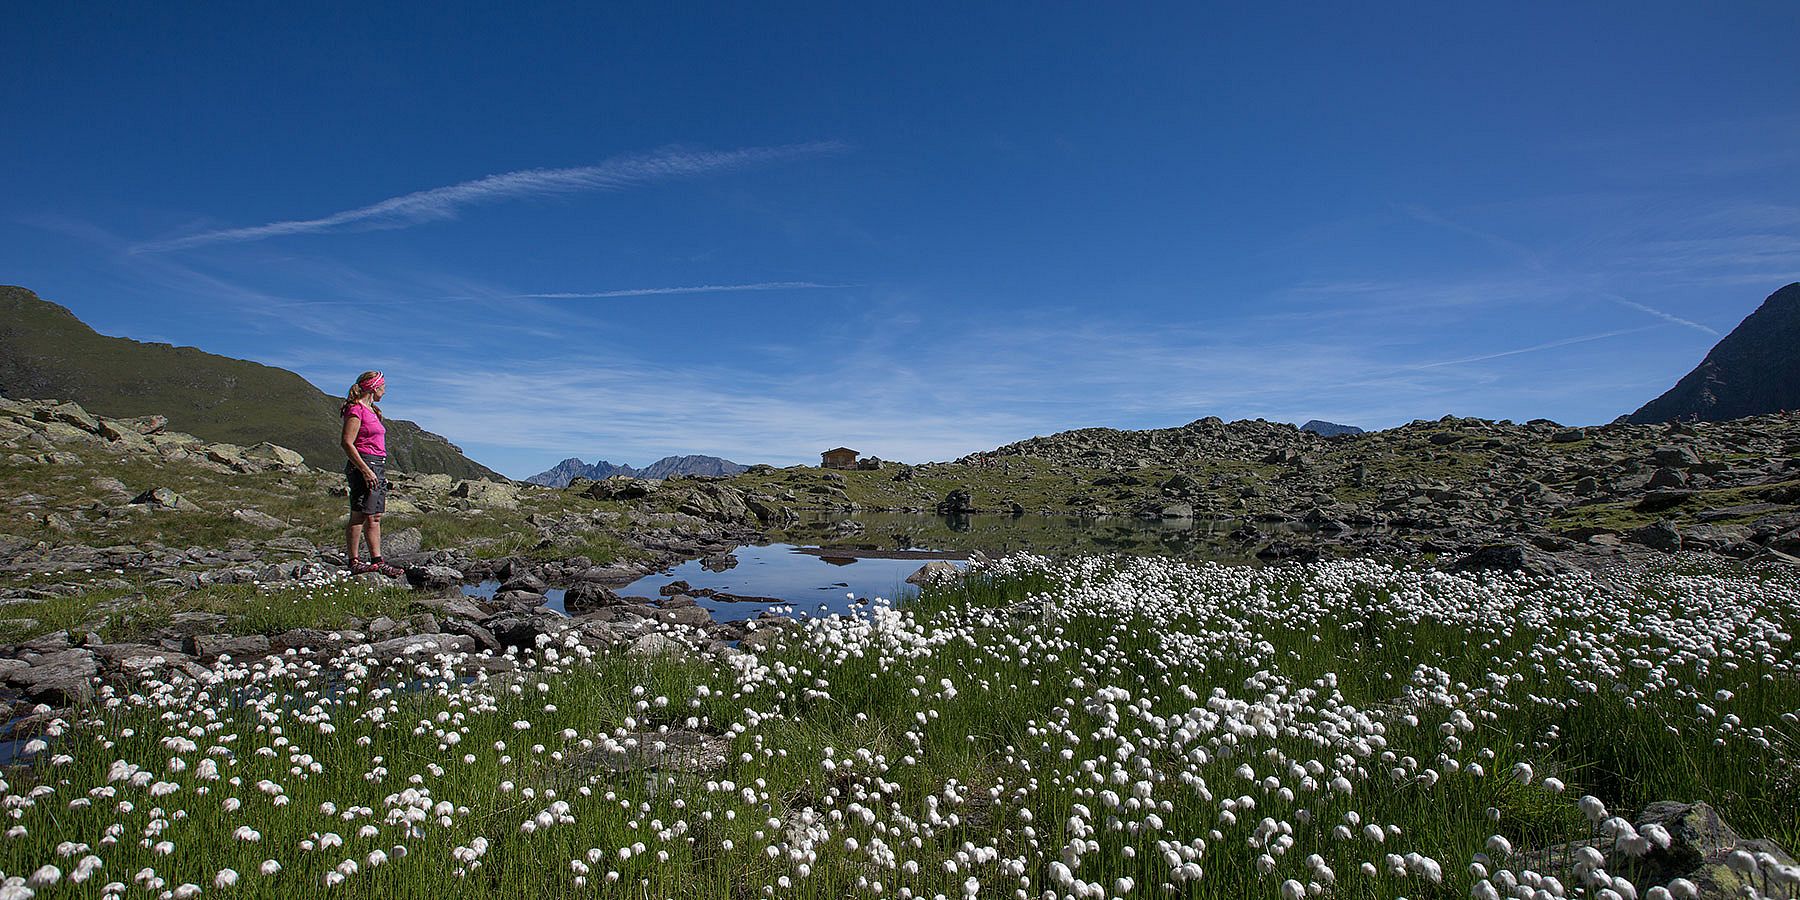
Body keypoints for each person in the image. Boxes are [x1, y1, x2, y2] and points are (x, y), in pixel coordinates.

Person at [340, 371, 403, 577]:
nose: (384, 391)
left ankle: (377, 560)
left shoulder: (372, 411)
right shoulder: (356, 410)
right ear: (374, 388)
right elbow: (347, 443)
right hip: (364, 464)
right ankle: (354, 561)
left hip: (376, 464)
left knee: (374, 515)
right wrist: (365, 470)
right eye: (383, 387)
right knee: (359, 514)